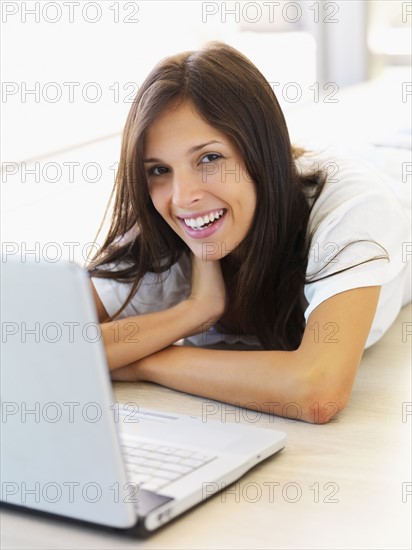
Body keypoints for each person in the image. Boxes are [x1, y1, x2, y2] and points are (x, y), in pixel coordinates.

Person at [88, 42, 411, 424]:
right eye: (159, 169)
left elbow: (318, 390)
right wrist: (196, 310)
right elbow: (47, 343)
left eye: (209, 158)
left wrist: (147, 362)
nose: (183, 197)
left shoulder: (352, 208)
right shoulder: (163, 228)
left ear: (261, 153)